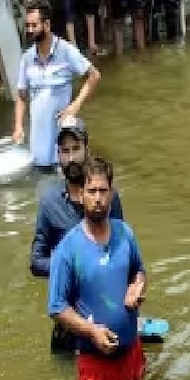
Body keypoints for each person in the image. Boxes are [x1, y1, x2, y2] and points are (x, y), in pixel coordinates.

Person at [47, 158, 147, 380]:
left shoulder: (125, 233)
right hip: (94, 364)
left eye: (103, 191)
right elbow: (56, 307)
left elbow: (139, 270)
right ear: (81, 195)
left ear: (111, 194)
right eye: (92, 191)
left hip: (133, 354)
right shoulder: (68, 249)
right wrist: (91, 331)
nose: (98, 198)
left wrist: (137, 287)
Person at [31, 117, 125, 353]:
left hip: (106, 313)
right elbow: (35, 261)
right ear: (58, 155)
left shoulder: (107, 199)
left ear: (87, 150)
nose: (71, 157)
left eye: (76, 149)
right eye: (64, 151)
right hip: (69, 322)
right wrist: (70, 266)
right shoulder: (49, 204)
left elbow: (122, 250)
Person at [12, 0, 101, 170]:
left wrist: (76, 105)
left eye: (34, 25)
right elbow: (22, 96)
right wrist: (18, 126)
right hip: (37, 149)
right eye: (27, 25)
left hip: (63, 148)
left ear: (47, 24)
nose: (30, 30)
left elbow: (94, 76)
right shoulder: (27, 58)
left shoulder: (66, 51)